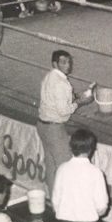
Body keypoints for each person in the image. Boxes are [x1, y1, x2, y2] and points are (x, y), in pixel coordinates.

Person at [37, 50, 96, 192]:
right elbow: (63, 111)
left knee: (51, 165)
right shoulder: (61, 83)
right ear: (55, 63)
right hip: (54, 130)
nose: (68, 65)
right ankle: (66, 198)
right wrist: (81, 102)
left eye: (69, 62)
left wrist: (76, 96)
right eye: (63, 62)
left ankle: (54, 197)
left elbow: (57, 97)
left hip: (42, 125)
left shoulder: (50, 76)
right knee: (66, 165)